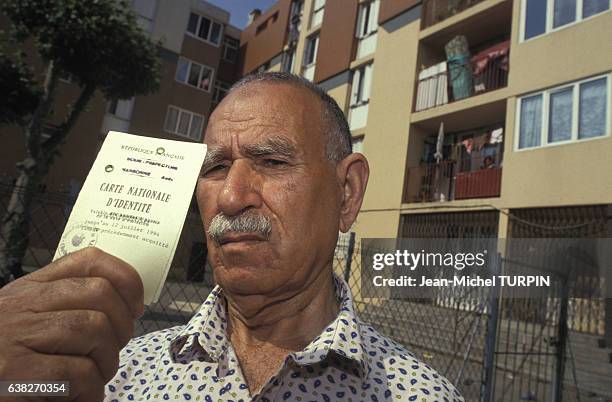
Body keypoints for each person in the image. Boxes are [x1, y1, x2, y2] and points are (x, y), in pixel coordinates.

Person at [0, 72, 464, 402]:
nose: (230, 196)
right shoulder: (107, 374)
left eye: (273, 162)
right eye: (215, 168)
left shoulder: (417, 394)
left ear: (346, 193)